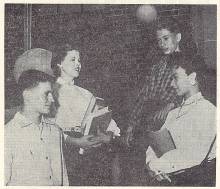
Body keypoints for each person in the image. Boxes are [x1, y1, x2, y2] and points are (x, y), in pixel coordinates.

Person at [51, 43, 120, 185]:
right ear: (59, 64)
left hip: (93, 153)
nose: (78, 64)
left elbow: (105, 120)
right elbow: (49, 128)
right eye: (72, 59)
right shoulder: (52, 91)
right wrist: (75, 142)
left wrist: (109, 135)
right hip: (65, 153)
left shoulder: (86, 93)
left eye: (79, 60)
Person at [145, 54, 216, 186]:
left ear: (192, 77)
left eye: (175, 78)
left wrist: (157, 166)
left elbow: (193, 155)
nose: (171, 84)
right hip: (167, 178)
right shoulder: (173, 113)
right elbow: (154, 145)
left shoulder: (208, 111)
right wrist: (151, 164)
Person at [5, 48, 69, 185]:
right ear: (26, 94)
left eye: (52, 93)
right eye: (46, 94)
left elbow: (63, 181)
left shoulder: (55, 132)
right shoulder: (7, 135)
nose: (52, 100)